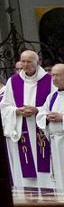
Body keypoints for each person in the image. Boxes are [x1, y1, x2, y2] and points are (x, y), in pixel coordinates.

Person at [0, 49, 53, 191]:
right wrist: (16, 110)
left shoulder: (49, 80)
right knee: (25, 168)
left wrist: (37, 110)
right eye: (23, 61)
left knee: (47, 167)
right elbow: (4, 106)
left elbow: (55, 104)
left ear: (37, 62)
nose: (25, 64)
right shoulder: (13, 81)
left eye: (29, 61)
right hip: (21, 129)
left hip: (42, 129)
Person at [39, 63, 64, 196]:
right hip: (55, 142)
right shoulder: (52, 96)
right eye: (52, 75)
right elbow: (41, 114)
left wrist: (62, 117)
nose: (53, 78)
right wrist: (47, 117)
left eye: (57, 75)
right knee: (60, 175)